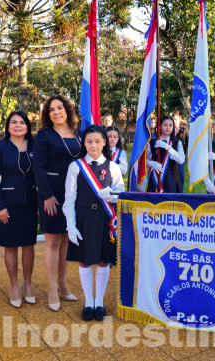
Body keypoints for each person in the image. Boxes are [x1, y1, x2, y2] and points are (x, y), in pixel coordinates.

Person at [63, 125, 125, 321]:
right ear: (84, 143)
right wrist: (70, 226)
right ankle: (88, 302)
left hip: (104, 219)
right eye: (89, 141)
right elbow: (69, 199)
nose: (93, 145)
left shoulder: (113, 167)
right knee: (84, 260)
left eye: (98, 141)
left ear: (105, 142)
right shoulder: (75, 167)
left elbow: (121, 194)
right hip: (83, 219)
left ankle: (99, 302)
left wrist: (112, 197)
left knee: (102, 260)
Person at [33, 96, 80, 311]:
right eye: (51, 110)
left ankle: (63, 284)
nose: (56, 112)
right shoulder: (44, 135)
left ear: (67, 110)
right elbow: (38, 167)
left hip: (74, 195)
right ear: (47, 114)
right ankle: (52, 289)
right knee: (52, 242)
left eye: (59, 108)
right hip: (51, 194)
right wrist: (46, 195)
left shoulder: (77, 134)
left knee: (66, 241)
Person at [0, 111, 38, 308]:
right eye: (13, 122)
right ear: (8, 127)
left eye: (22, 122)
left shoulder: (35, 146)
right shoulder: (0, 147)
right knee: (11, 245)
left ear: (28, 126)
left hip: (31, 202)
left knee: (28, 245)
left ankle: (28, 283)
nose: (18, 125)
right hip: (8, 203)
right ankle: (14, 285)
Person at [147, 115, 186, 193]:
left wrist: (167, 147)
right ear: (160, 127)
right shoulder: (152, 143)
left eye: (170, 125)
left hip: (171, 177)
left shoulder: (177, 143)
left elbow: (181, 160)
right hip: (155, 176)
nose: (168, 127)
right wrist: (151, 163)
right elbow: (144, 160)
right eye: (165, 125)